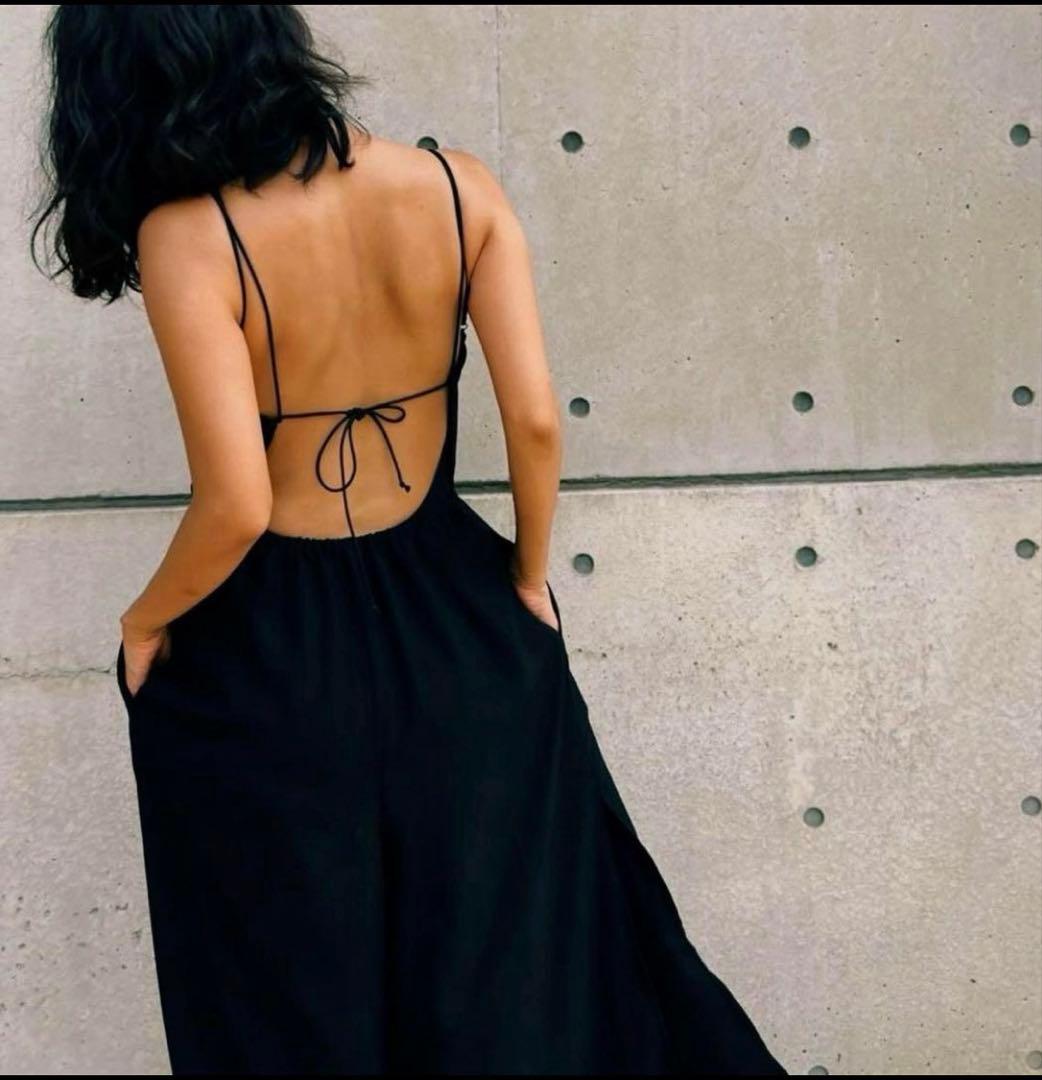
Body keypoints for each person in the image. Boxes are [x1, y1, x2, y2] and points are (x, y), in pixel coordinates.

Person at [31, 6, 788, 1075]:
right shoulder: (457, 187)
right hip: (457, 616)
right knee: (506, 971)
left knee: (287, 986)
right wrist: (528, 575)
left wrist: (145, 621)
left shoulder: (187, 235)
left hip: (275, 652)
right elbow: (535, 420)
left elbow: (237, 504)